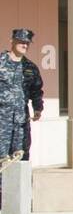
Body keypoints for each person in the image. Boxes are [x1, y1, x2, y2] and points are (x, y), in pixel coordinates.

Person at [0, 28, 43, 162]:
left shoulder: (30, 67)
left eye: (27, 43)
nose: (25, 45)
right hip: (1, 120)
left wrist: (37, 108)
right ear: (12, 41)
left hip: (21, 122)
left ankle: (21, 184)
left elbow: (36, 90)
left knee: (20, 157)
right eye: (21, 42)